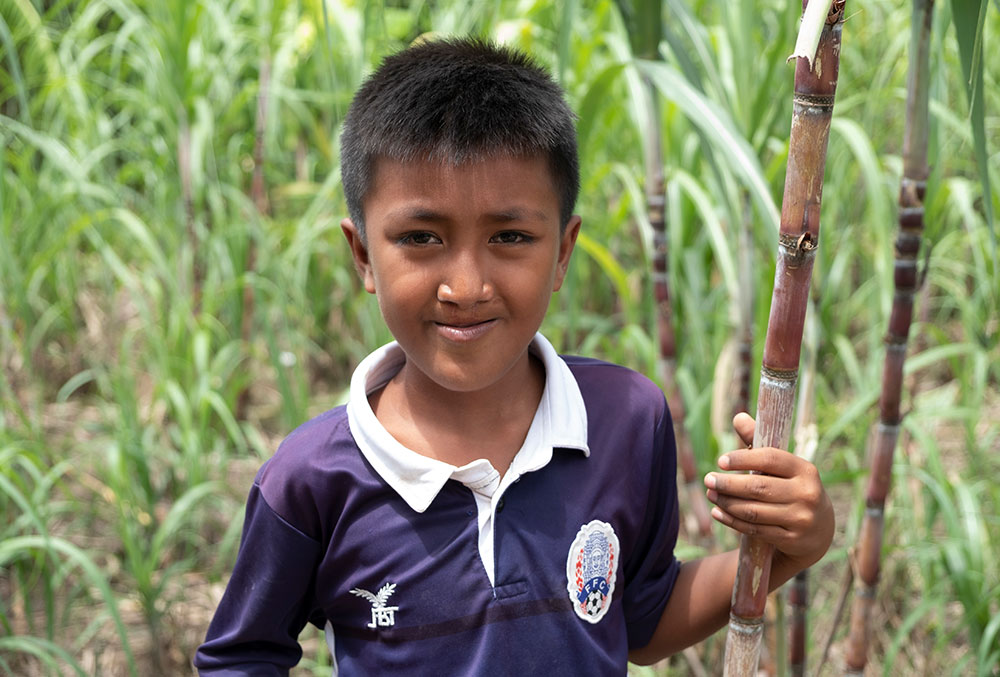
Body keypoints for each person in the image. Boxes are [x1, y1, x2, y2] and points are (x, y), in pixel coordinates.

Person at [194, 37, 834, 675]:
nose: (466, 287)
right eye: (421, 238)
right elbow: (241, 658)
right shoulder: (312, 480)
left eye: (510, 237)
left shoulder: (624, 422)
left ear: (562, 251)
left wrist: (789, 549)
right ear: (362, 253)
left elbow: (638, 619)